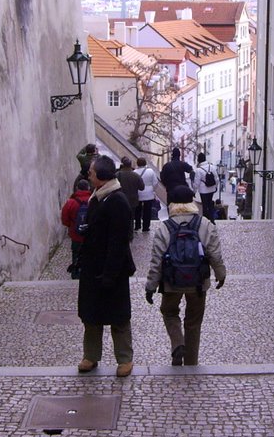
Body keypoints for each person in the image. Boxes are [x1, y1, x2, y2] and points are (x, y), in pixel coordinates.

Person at [145, 186, 226, 366]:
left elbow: (156, 261)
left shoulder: (164, 228)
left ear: (172, 204)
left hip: (171, 281)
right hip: (198, 282)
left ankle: (177, 343)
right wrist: (221, 274)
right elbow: (215, 254)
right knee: (194, 321)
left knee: (169, 312)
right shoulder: (205, 224)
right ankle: (191, 361)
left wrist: (151, 286)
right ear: (192, 202)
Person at [77, 156, 137, 377]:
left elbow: (119, 241)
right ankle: (90, 356)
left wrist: (110, 274)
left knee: (118, 317)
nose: (88, 175)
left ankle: (124, 359)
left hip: (112, 270)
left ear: (101, 177)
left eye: (91, 172)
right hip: (93, 268)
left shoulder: (117, 201)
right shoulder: (98, 197)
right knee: (91, 316)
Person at [61, 179, 92, 280]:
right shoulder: (93, 200)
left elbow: (64, 218)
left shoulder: (71, 202)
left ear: (77, 188)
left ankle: (76, 272)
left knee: (76, 253)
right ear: (88, 188)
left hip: (76, 234)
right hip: (90, 233)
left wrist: (71, 225)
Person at [116, 156, 145, 239]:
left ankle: (121, 233)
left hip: (120, 199)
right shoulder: (136, 175)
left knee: (120, 217)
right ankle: (130, 234)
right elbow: (142, 187)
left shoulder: (117, 175)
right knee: (131, 217)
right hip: (133, 200)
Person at [134, 156, 160, 233]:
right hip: (149, 193)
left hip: (138, 193)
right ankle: (146, 227)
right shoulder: (150, 171)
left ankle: (137, 225)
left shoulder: (134, 172)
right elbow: (155, 182)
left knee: (137, 210)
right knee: (147, 211)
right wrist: (152, 189)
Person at [192, 152, 219, 222]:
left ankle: (205, 221)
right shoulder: (212, 167)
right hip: (212, 189)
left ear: (199, 160)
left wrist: (194, 192)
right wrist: (215, 187)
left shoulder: (198, 170)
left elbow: (196, 182)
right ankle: (212, 220)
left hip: (203, 191)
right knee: (210, 203)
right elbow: (217, 178)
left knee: (205, 205)